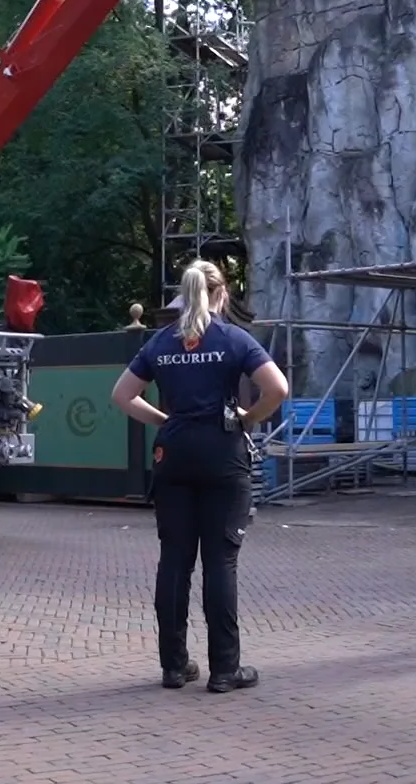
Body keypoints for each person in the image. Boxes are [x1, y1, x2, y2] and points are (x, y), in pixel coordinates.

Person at [111, 259, 290, 693]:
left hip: (174, 454)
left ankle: (174, 666)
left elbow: (122, 395)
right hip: (222, 455)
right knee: (220, 562)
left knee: (174, 560)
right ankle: (224, 670)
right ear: (221, 294)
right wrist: (248, 418)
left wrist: (162, 421)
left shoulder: (160, 342)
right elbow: (278, 389)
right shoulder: (233, 339)